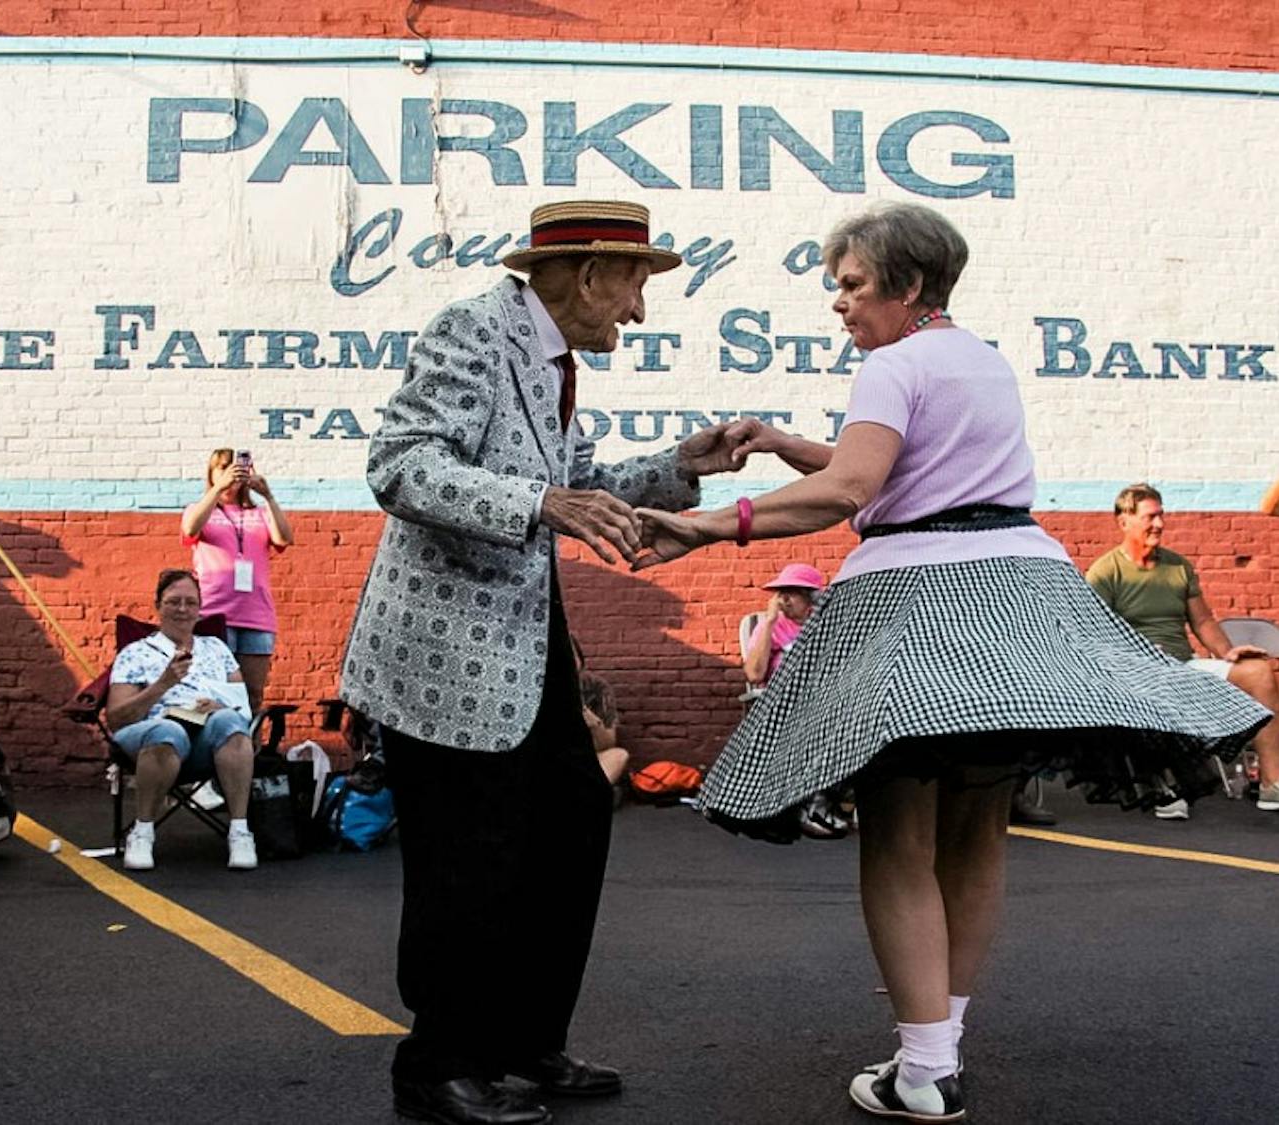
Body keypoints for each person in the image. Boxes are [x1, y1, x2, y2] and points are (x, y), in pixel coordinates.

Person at [632, 202, 1268, 1123]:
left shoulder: (890, 366)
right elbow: (904, 466)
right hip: (1019, 594)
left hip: (920, 601)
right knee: (976, 829)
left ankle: (924, 1070)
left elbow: (852, 489)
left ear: (908, 283)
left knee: (898, 832)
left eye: (850, 285)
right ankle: (936, 1055)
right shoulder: (982, 359)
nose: (839, 304)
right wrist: (781, 442)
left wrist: (697, 525)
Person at [338, 200, 747, 1125]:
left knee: (570, 821)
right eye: (636, 284)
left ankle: (524, 1040)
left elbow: (577, 485)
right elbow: (399, 464)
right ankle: (437, 1064)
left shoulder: (552, 361)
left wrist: (681, 466)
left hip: (523, 644)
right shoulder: (474, 330)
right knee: (463, 860)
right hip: (443, 653)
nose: (638, 310)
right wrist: (536, 503)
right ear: (590, 273)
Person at [1086, 482, 1279, 816]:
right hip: (1135, 670)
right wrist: (1136, 655)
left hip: (1183, 664)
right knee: (1158, 679)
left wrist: (1226, 653)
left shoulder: (1178, 567)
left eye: (1161, 516)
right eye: (1150, 517)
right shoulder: (1105, 572)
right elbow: (1092, 633)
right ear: (1124, 521)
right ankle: (1165, 785)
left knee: (1259, 671)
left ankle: (1271, 783)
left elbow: (1203, 622)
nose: (1159, 524)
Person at [106, 568, 258, 871]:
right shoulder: (135, 653)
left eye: (191, 602)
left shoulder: (216, 649)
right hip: (150, 735)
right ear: (158, 606)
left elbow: (243, 706)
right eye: (174, 601)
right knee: (167, 730)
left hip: (207, 738)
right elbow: (117, 718)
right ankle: (142, 832)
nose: (182, 609)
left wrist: (220, 704)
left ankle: (240, 832)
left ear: (200, 609)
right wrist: (162, 685)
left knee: (231, 722)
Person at [740, 563, 853, 839]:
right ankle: (813, 803)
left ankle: (821, 801)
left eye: (792, 592)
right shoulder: (772, 627)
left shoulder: (828, 627)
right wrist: (767, 623)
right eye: (781, 592)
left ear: (811, 598)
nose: (783, 599)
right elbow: (754, 674)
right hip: (782, 705)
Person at [181, 448, 294, 716]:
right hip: (214, 614)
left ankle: (249, 754)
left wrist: (268, 496)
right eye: (222, 468)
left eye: (235, 469)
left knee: (252, 695)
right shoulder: (199, 510)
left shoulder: (259, 514)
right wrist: (217, 489)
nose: (230, 475)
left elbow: (283, 539)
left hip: (256, 616)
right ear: (211, 474)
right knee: (212, 690)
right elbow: (191, 528)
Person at [569, 637, 629, 790]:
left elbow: (609, 744)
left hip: (587, 761)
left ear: (580, 660)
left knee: (619, 756)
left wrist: (593, 723)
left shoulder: (596, 687)